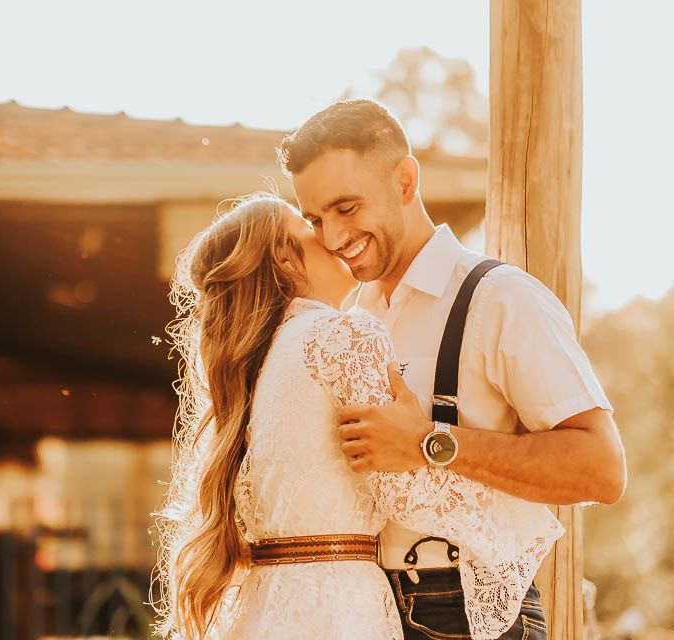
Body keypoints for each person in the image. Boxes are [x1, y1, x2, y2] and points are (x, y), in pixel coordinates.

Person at [277, 99, 627, 639]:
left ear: (405, 180)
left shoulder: (500, 298)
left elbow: (602, 469)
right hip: (362, 611)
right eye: (316, 219)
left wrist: (429, 442)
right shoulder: (347, 318)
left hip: (464, 612)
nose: (332, 237)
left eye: (346, 208)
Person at [152, 194, 563, 639]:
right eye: (310, 227)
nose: (331, 238)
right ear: (284, 258)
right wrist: (516, 514)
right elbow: (404, 493)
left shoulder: (253, 368)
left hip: (265, 607)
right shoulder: (344, 334)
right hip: (339, 609)